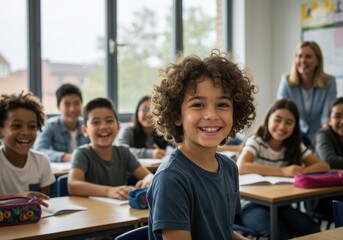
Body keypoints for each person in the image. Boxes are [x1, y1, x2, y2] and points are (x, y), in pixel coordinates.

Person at [147, 49, 257, 240]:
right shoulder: (171, 179)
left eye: (222, 105)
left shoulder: (230, 168)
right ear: (176, 115)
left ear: (235, 113)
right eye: (198, 105)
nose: (212, 115)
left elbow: (223, 232)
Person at [236, 99, 330, 239]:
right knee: (280, 233)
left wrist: (299, 171)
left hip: (279, 205)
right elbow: (241, 166)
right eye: (277, 119)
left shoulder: (294, 145)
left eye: (289, 122)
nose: (281, 126)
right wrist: (283, 171)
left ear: (295, 126)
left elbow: (324, 166)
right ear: (268, 119)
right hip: (250, 205)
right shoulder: (257, 141)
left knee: (311, 228)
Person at [68, 97, 153, 200]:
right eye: (96, 122)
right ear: (85, 130)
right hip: (92, 212)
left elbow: (149, 176)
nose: (103, 126)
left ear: (118, 127)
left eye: (109, 120)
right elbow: (73, 185)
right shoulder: (82, 153)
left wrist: (147, 181)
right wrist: (109, 191)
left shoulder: (123, 152)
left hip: (120, 212)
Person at [277, 41, 337, 143]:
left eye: (308, 56)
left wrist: (322, 139)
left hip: (320, 135)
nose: (303, 60)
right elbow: (283, 114)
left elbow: (327, 117)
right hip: (293, 135)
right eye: (299, 56)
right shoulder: (286, 82)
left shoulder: (329, 83)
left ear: (318, 61)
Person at [0, 92, 55, 200]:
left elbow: (44, 202)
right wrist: (19, 197)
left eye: (32, 126)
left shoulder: (42, 161)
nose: (26, 132)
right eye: (16, 126)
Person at [34, 83, 90, 162]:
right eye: (67, 104)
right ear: (58, 107)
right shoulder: (51, 126)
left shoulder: (88, 125)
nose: (72, 109)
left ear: (81, 105)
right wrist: (66, 157)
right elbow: (39, 150)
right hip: (60, 172)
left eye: (76, 103)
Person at [312, 97, 343, 224]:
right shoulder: (323, 135)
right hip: (323, 198)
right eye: (337, 116)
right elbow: (330, 161)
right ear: (329, 120)